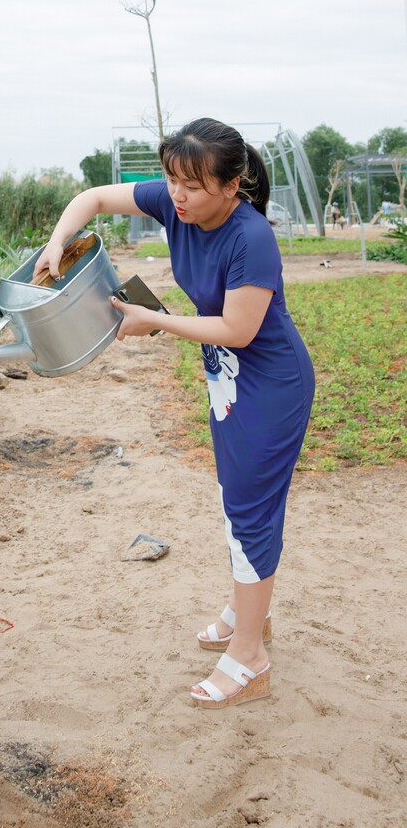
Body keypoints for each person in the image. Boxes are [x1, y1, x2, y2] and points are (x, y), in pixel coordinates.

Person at [35, 118, 314, 709]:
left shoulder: (251, 238)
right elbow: (91, 198)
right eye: (171, 180)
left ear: (232, 186)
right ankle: (250, 617)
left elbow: (239, 328)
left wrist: (155, 320)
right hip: (229, 381)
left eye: (192, 185)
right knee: (235, 501)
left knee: (249, 510)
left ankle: (250, 659)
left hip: (270, 383)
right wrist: (57, 241)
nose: (176, 196)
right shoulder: (178, 202)